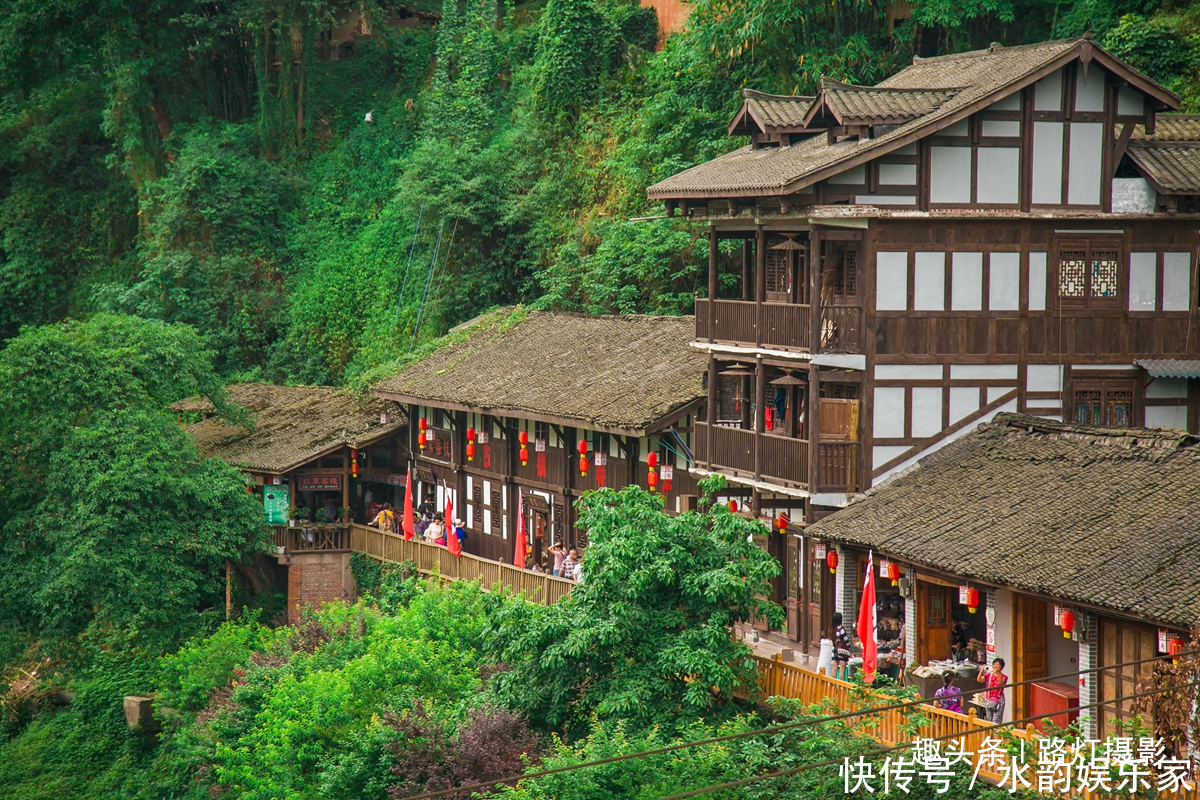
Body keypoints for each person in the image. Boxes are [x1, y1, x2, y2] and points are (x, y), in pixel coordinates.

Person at [977, 657, 1008, 723]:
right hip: (989, 699)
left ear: (1001, 667)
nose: (995, 666)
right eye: (994, 664)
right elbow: (979, 680)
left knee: (996, 720)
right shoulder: (989, 675)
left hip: (998, 700)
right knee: (989, 720)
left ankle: (995, 733)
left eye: (998, 665)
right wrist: (981, 671)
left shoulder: (1004, 677)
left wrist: (997, 674)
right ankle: (990, 733)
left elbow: (1001, 683)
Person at [831, 612, 852, 681]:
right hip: (841, 651)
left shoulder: (831, 629)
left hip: (834, 650)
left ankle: (832, 686)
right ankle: (841, 687)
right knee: (842, 670)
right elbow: (846, 640)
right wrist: (849, 647)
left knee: (834, 669)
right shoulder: (841, 629)